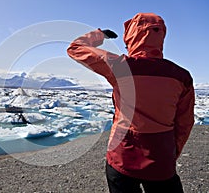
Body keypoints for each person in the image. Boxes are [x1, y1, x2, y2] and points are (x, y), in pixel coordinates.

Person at [67, 12, 195, 193]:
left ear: (132, 34)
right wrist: (171, 153)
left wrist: (99, 35)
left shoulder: (120, 66)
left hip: (122, 156)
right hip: (161, 159)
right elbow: (185, 122)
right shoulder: (181, 76)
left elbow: (75, 48)